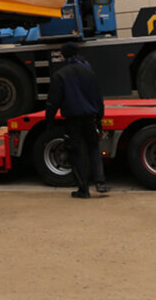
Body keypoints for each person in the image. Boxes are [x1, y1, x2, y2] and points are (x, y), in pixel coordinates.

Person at [45, 42, 109, 199]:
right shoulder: (88, 71)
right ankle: (100, 182)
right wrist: (99, 117)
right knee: (93, 148)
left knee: (75, 152)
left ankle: (83, 189)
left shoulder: (60, 75)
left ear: (64, 56)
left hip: (72, 119)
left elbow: (53, 101)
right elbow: (97, 96)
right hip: (90, 118)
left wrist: (49, 120)